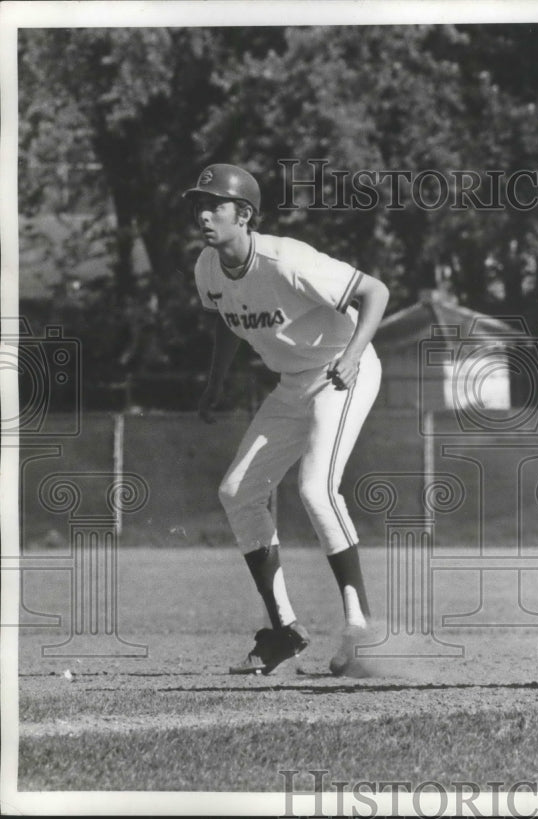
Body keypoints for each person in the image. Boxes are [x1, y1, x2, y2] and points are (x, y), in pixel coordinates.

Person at [183, 163, 389, 675]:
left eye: (216, 205)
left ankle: (360, 630)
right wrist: (215, 381)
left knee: (316, 489)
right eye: (198, 205)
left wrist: (352, 356)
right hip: (293, 384)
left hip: (343, 370)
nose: (204, 214)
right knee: (237, 492)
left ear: (245, 214)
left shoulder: (287, 260)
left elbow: (376, 292)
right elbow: (229, 323)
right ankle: (284, 630)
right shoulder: (208, 268)